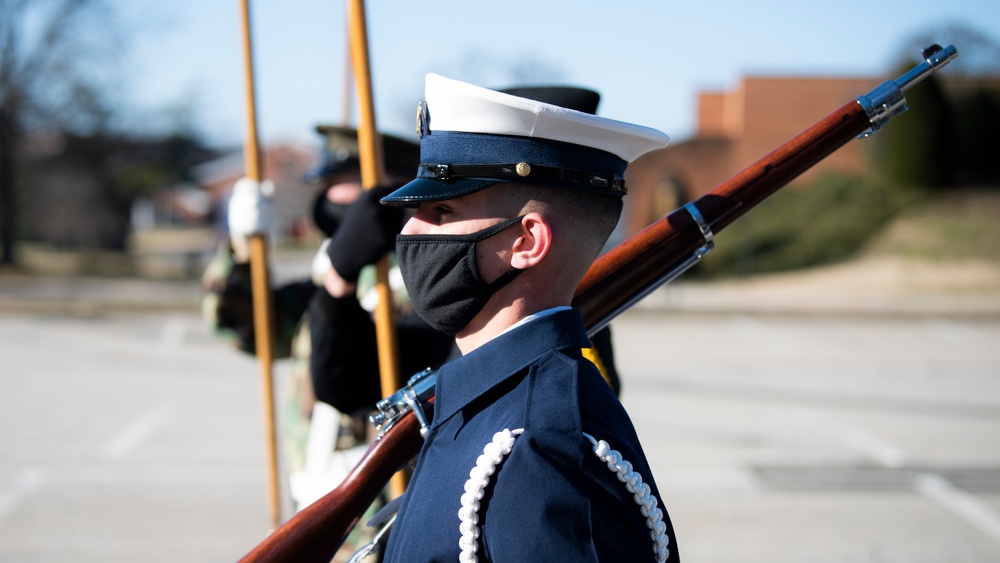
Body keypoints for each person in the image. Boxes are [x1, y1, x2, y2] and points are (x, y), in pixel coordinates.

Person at [375, 74, 679, 562]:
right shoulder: (491, 402)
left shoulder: (542, 449)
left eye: (441, 209)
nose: (410, 228)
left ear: (526, 242)